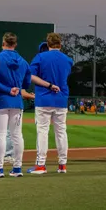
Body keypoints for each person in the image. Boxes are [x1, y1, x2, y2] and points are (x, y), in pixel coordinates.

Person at [0, 32, 33, 178]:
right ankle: (17, 168)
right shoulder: (23, 61)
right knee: (17, 135)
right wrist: (16, 88)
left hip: (0, 100)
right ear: (15, 44)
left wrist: (6, 89)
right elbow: (27, 82)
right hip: (17, 101)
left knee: (1, 135)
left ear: (3, 42)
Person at [27, 33, 73, 174]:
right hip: (61, 99)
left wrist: (47, 84)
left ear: (48, 44)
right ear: (60, 44)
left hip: (44, 99)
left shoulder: (40, 57)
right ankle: (62, 165)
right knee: (61, 132)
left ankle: (41, 164)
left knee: (42, 132)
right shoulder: (68, 60)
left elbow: (30, 76)